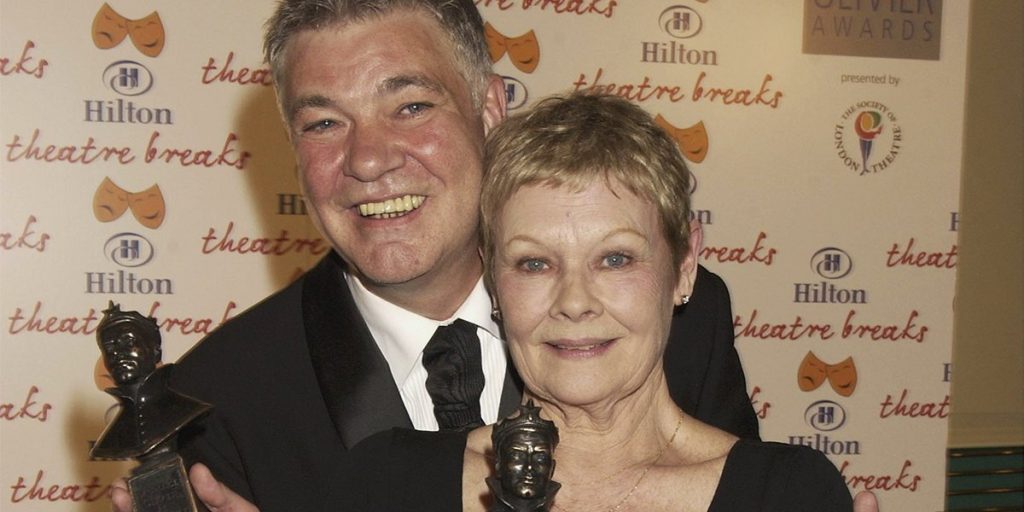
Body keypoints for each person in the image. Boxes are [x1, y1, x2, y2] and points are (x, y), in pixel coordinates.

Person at [108, 0, 879, 510]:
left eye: (410, 105)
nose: (369, 159)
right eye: (323, 124)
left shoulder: (688, 315)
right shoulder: (220, 400)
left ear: (489, 108)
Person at [328, 91, 853, 511]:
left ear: (684, 267)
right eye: (535, 263)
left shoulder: (787, 495)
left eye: (616, 259)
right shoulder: (388, 484)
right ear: (493, 277)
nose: (574, 303)